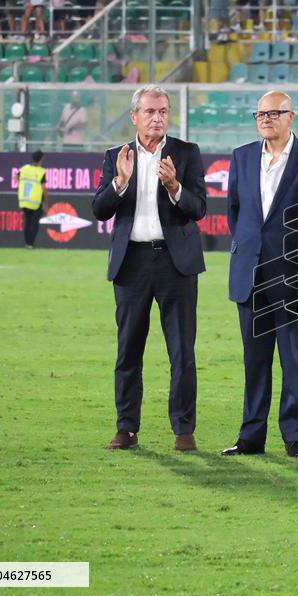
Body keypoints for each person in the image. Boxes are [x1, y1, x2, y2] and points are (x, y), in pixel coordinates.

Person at [91, 85, 207, 452]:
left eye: (163, 111)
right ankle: (126, 428)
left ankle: (183, 430)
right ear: (134, 116)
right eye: (150, 112)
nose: (157, 118)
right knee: (128, 352)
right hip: (132, 264)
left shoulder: (187, 153)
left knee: (182, 352)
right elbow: (99, 209)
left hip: (176, 264)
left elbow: (199, 208)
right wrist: (120, 182)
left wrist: (175, 186)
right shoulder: (116, 156)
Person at [223, 91, 298, 458]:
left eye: (274, 113)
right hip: (250, 274)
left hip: (293, 276)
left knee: (293, 360)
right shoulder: (241, 157)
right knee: (254, 361)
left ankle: (294, 436)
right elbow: (236, 214)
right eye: (260, 113)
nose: (266, 119)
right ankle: (250, 437)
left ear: (292, 116)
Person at [17, 150, 47, 249]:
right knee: (34, 222)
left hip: (25, 199)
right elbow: (44, 189)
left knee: (27, 221)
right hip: (36, 200)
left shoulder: (24, 169)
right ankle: (31, 244)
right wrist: (45, 202)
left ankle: (27, 243)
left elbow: (15, 177)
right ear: (41, 159)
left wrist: (21, 185)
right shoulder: (41, 171)